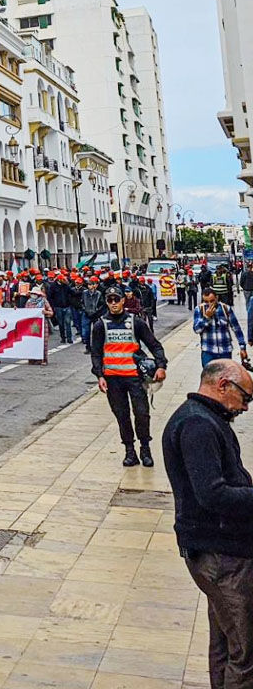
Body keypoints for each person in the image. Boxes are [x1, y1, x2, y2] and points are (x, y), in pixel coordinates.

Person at [163, 360, 253, 686]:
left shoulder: (206, 419)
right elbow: (212, 495)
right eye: (245, 397)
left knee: (226, 641)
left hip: (223, 551)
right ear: (223, 386)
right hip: (220, 555)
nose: (245, 406)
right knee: (245, 651)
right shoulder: (197, 426)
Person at [91, 286, 167, 468]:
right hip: (113, 379)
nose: (113, 303)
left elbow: (155, 345)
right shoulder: (101, 325)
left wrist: (161, 366)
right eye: (110, 300)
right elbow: (95, 353)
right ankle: (129, 451)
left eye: (116, 299)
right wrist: (99, 375)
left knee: (142, 414)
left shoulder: (136, 322)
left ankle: (145, 448)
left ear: (123, 300)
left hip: (134, 378)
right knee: (122, 416)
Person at [195, 285, 249, 368]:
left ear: (217, 298)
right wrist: (207, 318)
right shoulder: (199, 309)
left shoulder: (225, 308)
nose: (209, 304)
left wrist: (242, 347)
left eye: (212, 301)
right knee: (210, 378)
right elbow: (197, 329)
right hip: (208, 351)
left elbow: (236, 329)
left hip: (225, 351)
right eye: (206, 302)